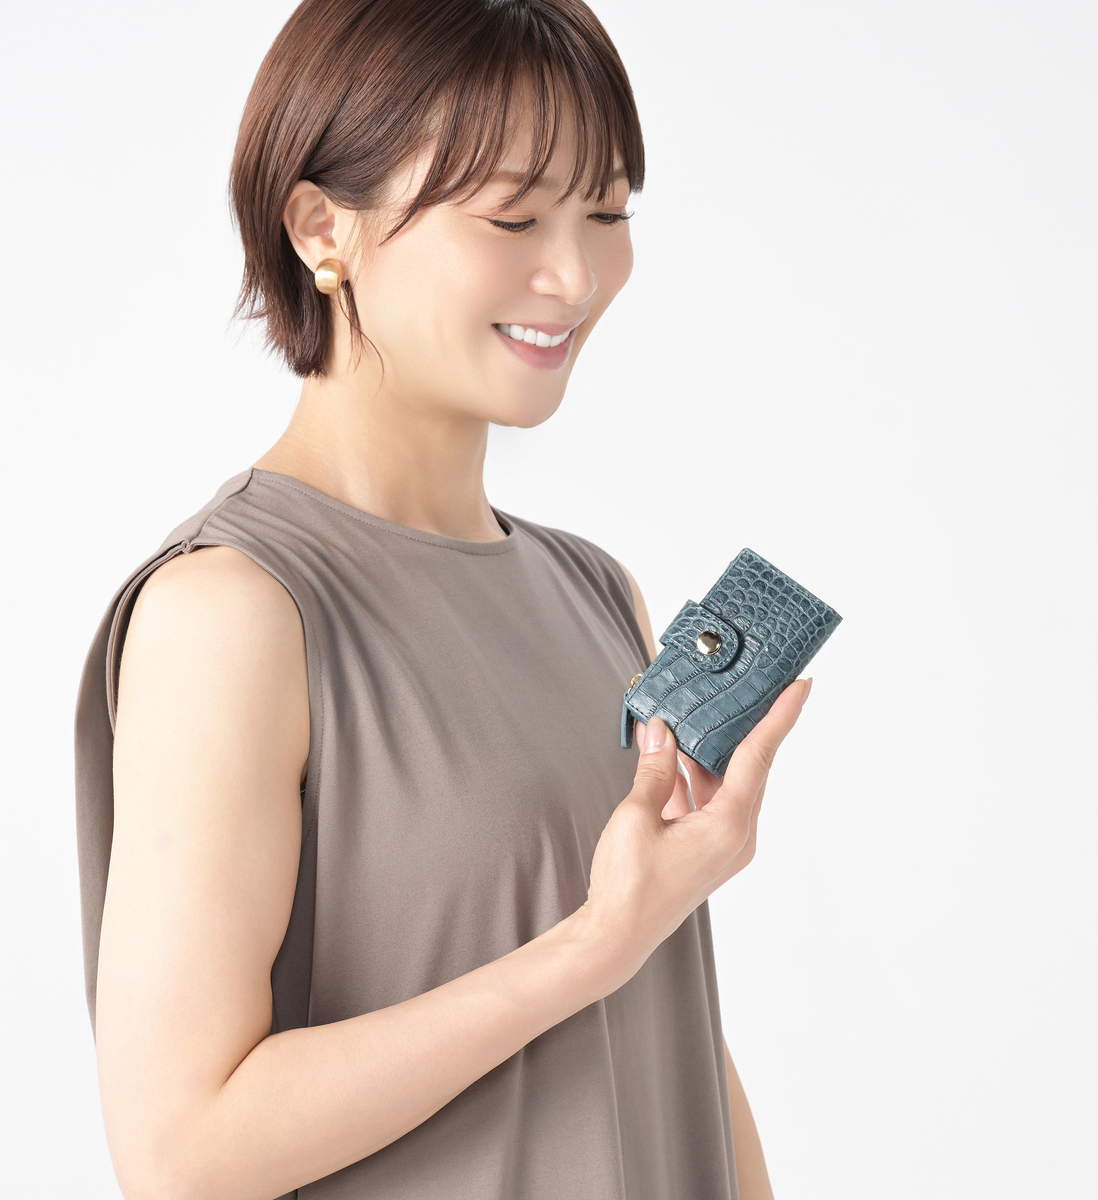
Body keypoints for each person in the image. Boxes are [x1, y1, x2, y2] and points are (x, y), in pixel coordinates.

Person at [74, 1, 813, 1196]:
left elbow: (671, 1035)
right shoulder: (234, 612)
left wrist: (636, 939)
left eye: (607, 212)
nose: (574, 274)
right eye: (513, 217)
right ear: (322, 227)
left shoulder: (598, 593)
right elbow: (182, 1150)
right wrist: (595, 944)